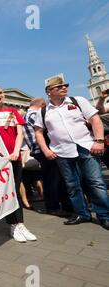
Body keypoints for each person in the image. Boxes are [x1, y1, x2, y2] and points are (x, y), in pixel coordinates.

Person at [34, 75, 109, 230]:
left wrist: (99, 141)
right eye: (59, 86)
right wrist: (46, 150)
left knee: (96, 183)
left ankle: (104, 215)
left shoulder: (78, 101)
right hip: (61, 152)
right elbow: (39, 132)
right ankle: (82, 213)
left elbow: (95, 119)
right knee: (72, 185)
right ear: (49, 91)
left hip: (86, 147)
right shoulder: (43, 111)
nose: (64, 88)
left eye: (65, 85)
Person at [0, 86, 37, 242]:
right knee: (7, 192)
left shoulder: (13, 111)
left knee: (15, 190)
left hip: (14, 157)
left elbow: (19, 134)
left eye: (0, 93)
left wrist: (16, 151)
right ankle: (13, 225)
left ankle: (20, 225)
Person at [23, 97, 73, 216]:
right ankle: (53, 207)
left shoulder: (26, 115)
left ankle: (58, 205)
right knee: (53, 179)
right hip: (44, 149)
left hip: (39, 150)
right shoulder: (35, 114)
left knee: (52, 178)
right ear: (42, 105)